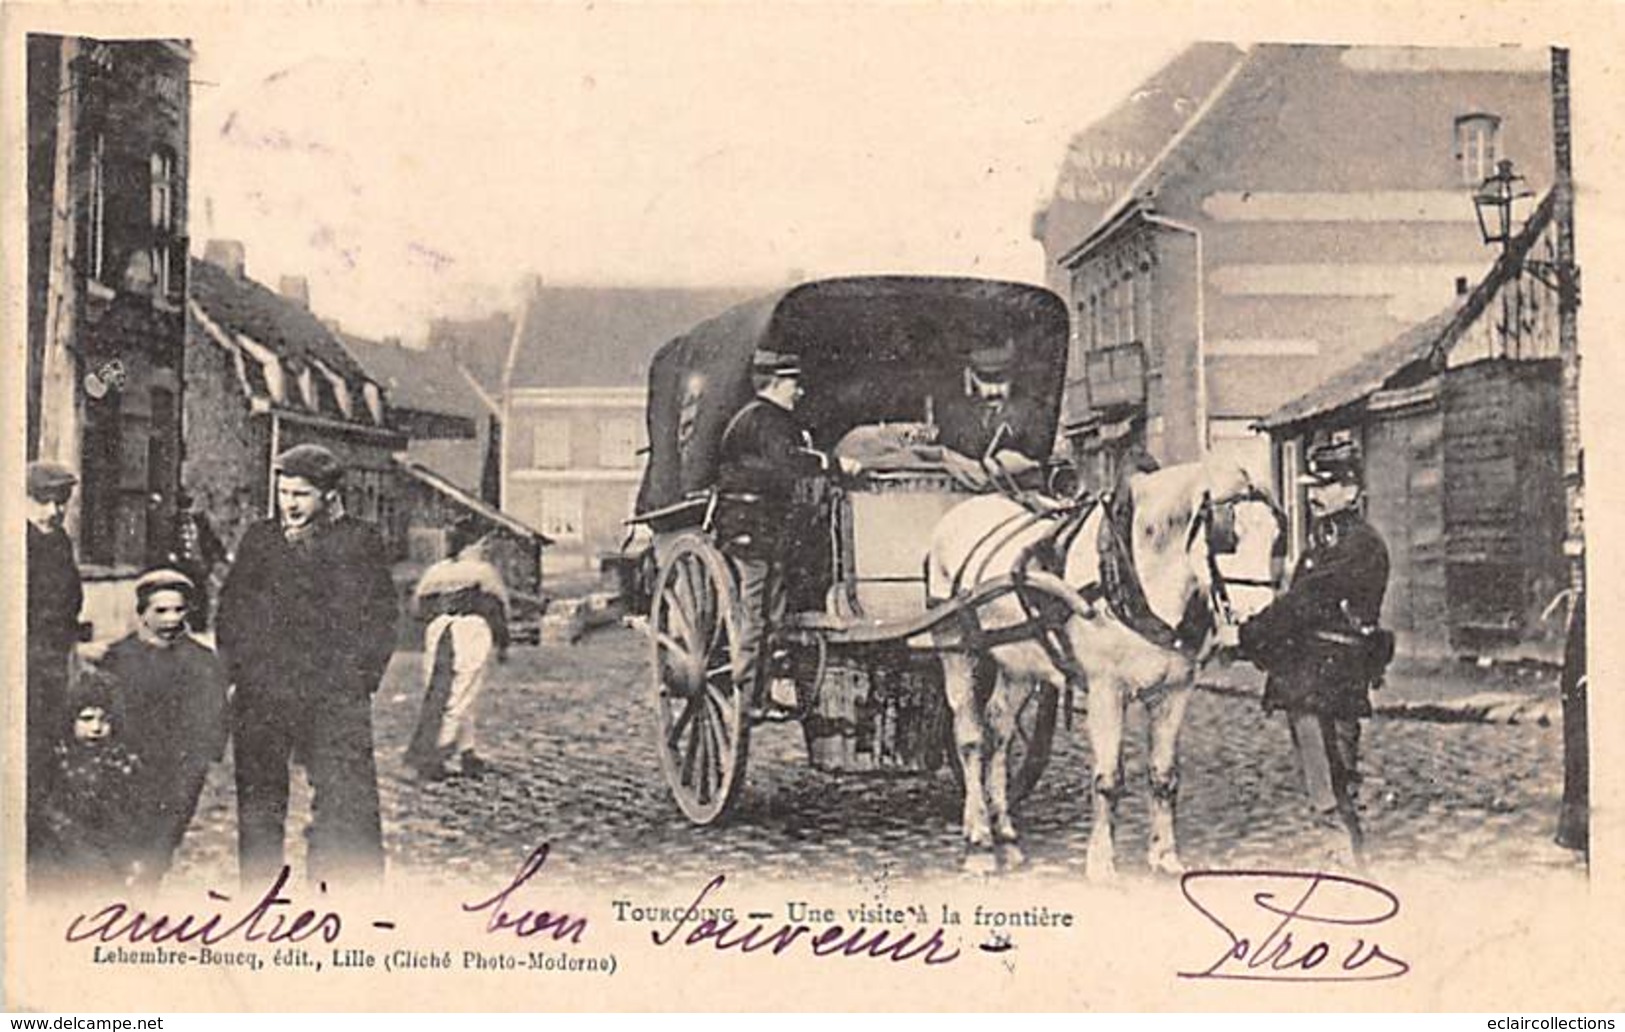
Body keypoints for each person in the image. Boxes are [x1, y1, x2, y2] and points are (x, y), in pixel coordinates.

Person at [216, 444, 397, 889]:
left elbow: (382, 617)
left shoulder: (359, 541)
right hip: (264, 693)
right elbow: (232, 610)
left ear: (329, 496)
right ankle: (258, 894)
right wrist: (238, 673)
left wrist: (359, 681)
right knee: (259, 801)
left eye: (301, 494)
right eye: (283, 493)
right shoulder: (260, 539)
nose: (290, 505)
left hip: (332, 695)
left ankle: (338, 894)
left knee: (344, 798)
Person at [1238, 439, 1391, 868]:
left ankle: (1344, 859)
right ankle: (1340, 853)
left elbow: (1306, 600)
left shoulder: (1357, 544)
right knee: (1323, 771)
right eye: (1312, 486)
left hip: (1330, 676)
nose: (1314, 494)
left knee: (1331, 773)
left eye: (1326, 485)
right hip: (1311, 675)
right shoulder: (1327, 539)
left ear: (1352, 490)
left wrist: (1250, 634)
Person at [715, 350, 859, 708]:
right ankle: (748, 689)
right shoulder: (765, 420)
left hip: (768, 527)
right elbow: (786, 461)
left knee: (772, 605)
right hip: (751, 527)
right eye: (794, 383)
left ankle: (768, 681)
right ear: (776, 383)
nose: (800, 392)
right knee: (758, 607)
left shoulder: (766, 418)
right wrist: (834, 463)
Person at [97, 569, 230, 888]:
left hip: (177, 773)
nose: (171, 618)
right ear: (142, 613)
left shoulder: (201, 661)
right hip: (125, 770)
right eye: (161, 610)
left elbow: (212, 722)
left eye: (179, 609)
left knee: (156, 855)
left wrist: (199, 760)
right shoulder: (118, 657)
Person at [405, 518, 510, 780]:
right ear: (470, 545)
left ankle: (467, 752)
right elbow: (499, 607)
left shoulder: (436, 571)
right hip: (471, 630)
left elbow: (416, 607)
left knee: (443, 690)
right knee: (462, 693)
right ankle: (435, 754)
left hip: (438, 630)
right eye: (482, 542)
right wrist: (502, 642)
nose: (485, 548)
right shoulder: (483, 571)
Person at [25, 460, 85, 885]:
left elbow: (69, 605)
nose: (52, 511)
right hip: (20, 665)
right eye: (41, 501)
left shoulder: (59, 542)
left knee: (45, 749)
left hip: (50, 665)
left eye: (60, 502)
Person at [35, 673, 146, 895]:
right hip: (63, 849)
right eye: (86, 719)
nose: (96, 728)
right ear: (70, 720)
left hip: (110, 849)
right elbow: (47, 808)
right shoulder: (58, 759)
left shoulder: (121, 760)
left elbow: (133, 812)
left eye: (105, 720)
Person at [930, 343, 1048, 490]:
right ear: (972, 376)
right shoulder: (956, 413)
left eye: (1002, 382)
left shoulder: (1031, 412)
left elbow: (1040, 458)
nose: (994, 391)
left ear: (1013, 376)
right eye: (985, 382)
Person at [165, 491, 229, 632]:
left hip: (199, 565)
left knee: (201, 596)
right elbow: (165, 542)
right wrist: (171, 554)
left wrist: (222, 556)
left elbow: (212, 540)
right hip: (181, 567)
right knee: (181, 595)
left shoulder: (200, 522)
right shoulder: (172, 523)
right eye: (182, 508)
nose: (185, 512)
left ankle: (199, 626)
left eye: (187, 508)